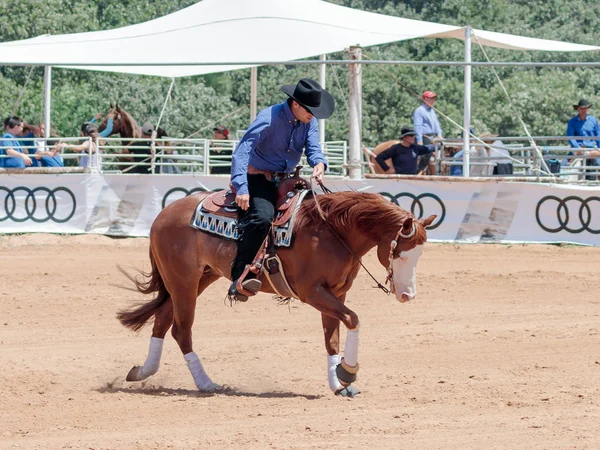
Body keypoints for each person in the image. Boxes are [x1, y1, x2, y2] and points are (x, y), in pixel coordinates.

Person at [228, 78, 334, 302]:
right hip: (257, 178)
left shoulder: (308, 121)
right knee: (262, 218)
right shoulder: (269, 118)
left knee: (316, 216)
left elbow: (313, 147)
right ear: (295, 104)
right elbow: (242, 151)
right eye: (310, 110)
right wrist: (242, 187)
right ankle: (240, 278)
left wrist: (319, 163)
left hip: (287, 179)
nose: (313, 115)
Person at [566, 99, 600, 179]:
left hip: (591, 149)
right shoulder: (572, 122)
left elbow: (598, 135)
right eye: (581, 108)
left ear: (588, 109)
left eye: (585, 108)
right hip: (578, 148)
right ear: (578, 109)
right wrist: (577, 148)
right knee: (568, 164)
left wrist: (599, 147)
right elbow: (570, 137)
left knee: (597, 162)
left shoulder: (593, 120)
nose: (583, 110)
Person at [413, 90, 442, 174]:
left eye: (433, 98)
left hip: (434, 137)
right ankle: (419, 170)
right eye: (431, 98)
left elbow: (437, 124)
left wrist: (439, 134)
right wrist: (419, 140)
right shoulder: (419, 111)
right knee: (427, 151)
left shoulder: (432, 111)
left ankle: (440, 171)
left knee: (443, 150)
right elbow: (418, 126)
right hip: (424, 136)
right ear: (425, 99)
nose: (433, 100)